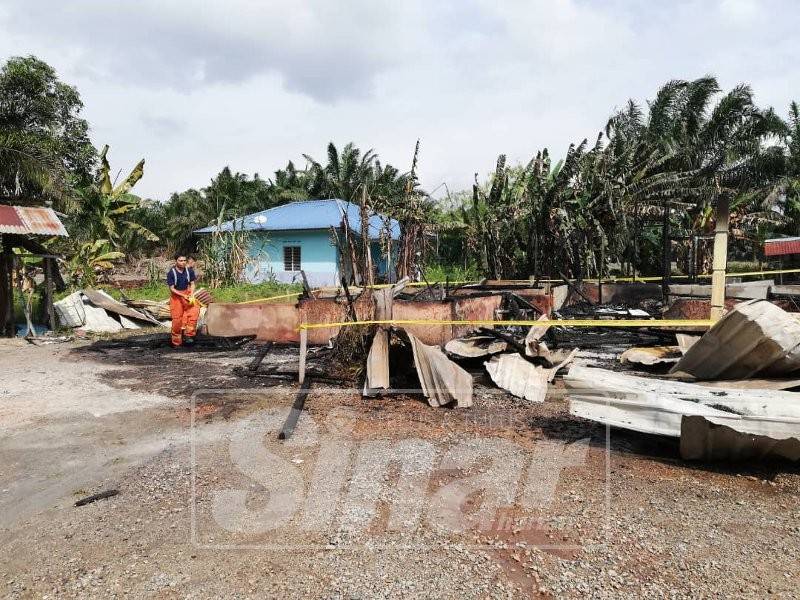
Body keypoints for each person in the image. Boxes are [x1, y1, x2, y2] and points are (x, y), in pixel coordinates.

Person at [167, 253, 199, 348]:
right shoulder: (171, 273)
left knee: (194, 312)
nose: (183, 262)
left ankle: (189, 335)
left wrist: (192, 294)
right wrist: (183, 295)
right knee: (177, 320)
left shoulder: (189, 271)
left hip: (188, 295)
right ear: (176, 261)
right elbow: (172, 289)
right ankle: (176, 342)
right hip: (177, 297)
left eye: (184, 260)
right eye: (180, 261)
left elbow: (192, 283)